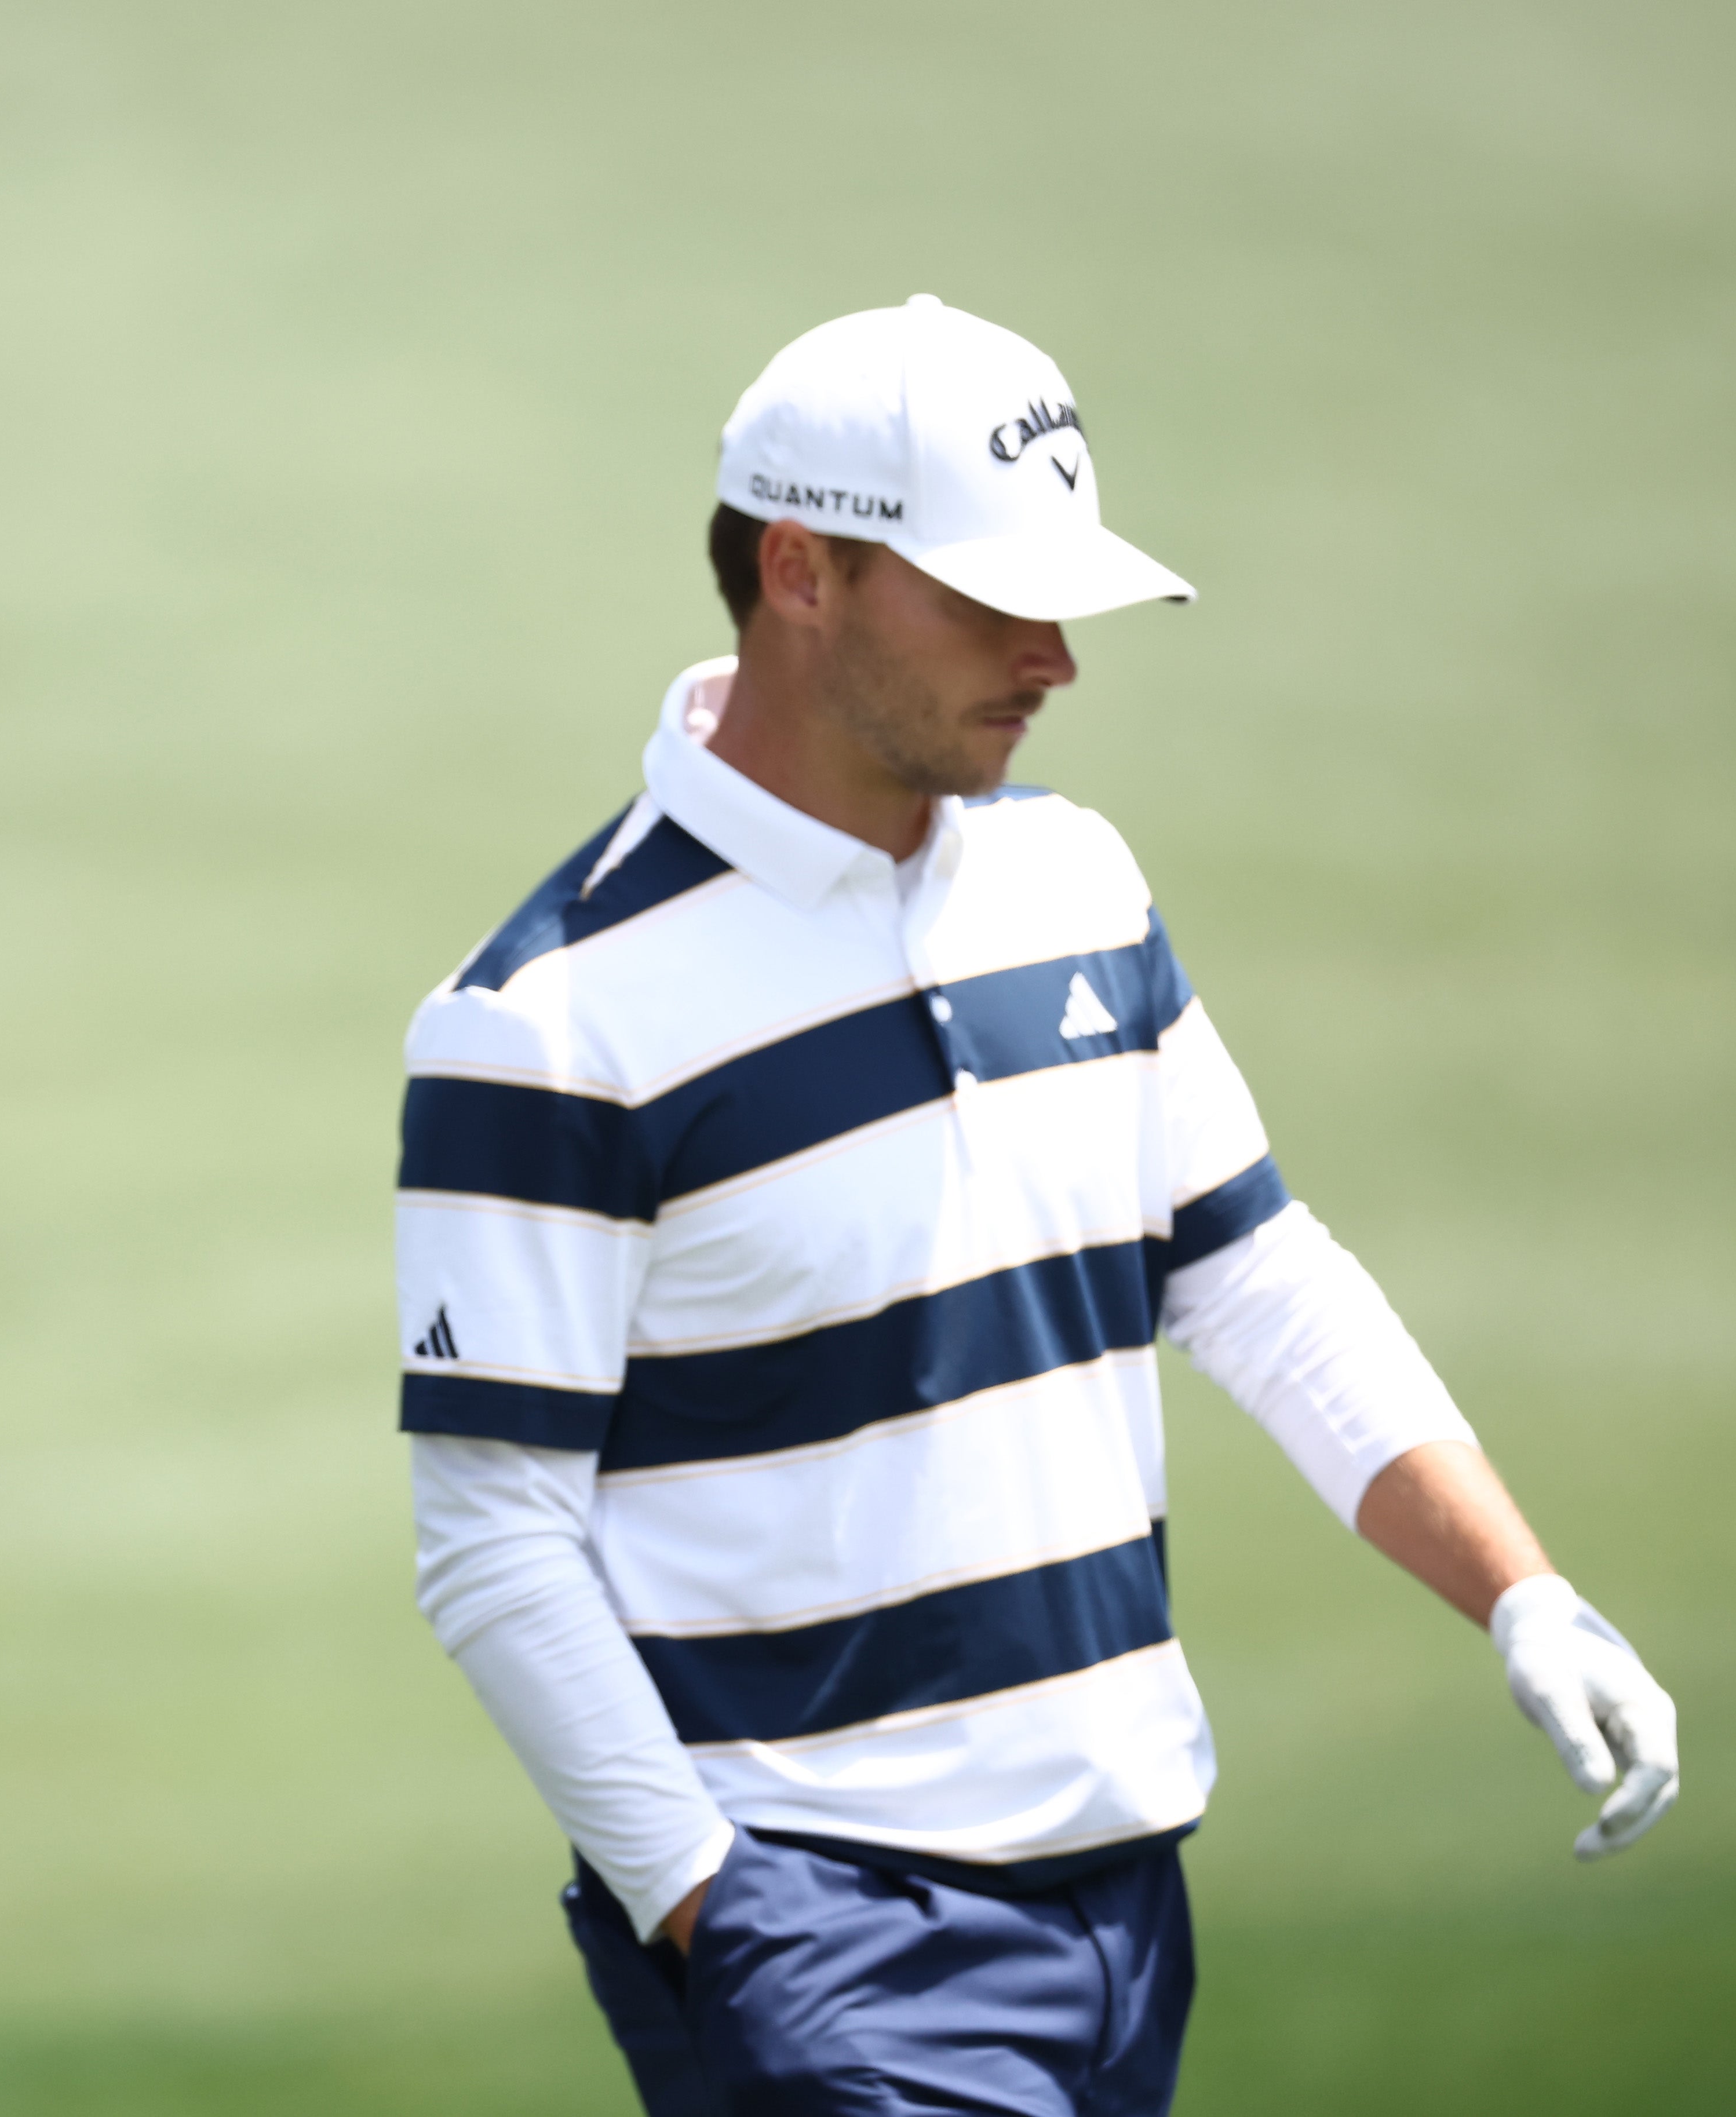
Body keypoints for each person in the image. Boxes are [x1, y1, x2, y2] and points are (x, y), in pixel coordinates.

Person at [396, 294, 1678, 2114]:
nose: (1052, 657)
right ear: (799, 570)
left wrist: (1521, 1596)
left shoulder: (1076, 885)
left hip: (1125, 1903)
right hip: (826, 1934)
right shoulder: (543, 1022)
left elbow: (1254, 1282)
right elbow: (492, 1540)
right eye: (991, 602)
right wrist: (715, 1911)